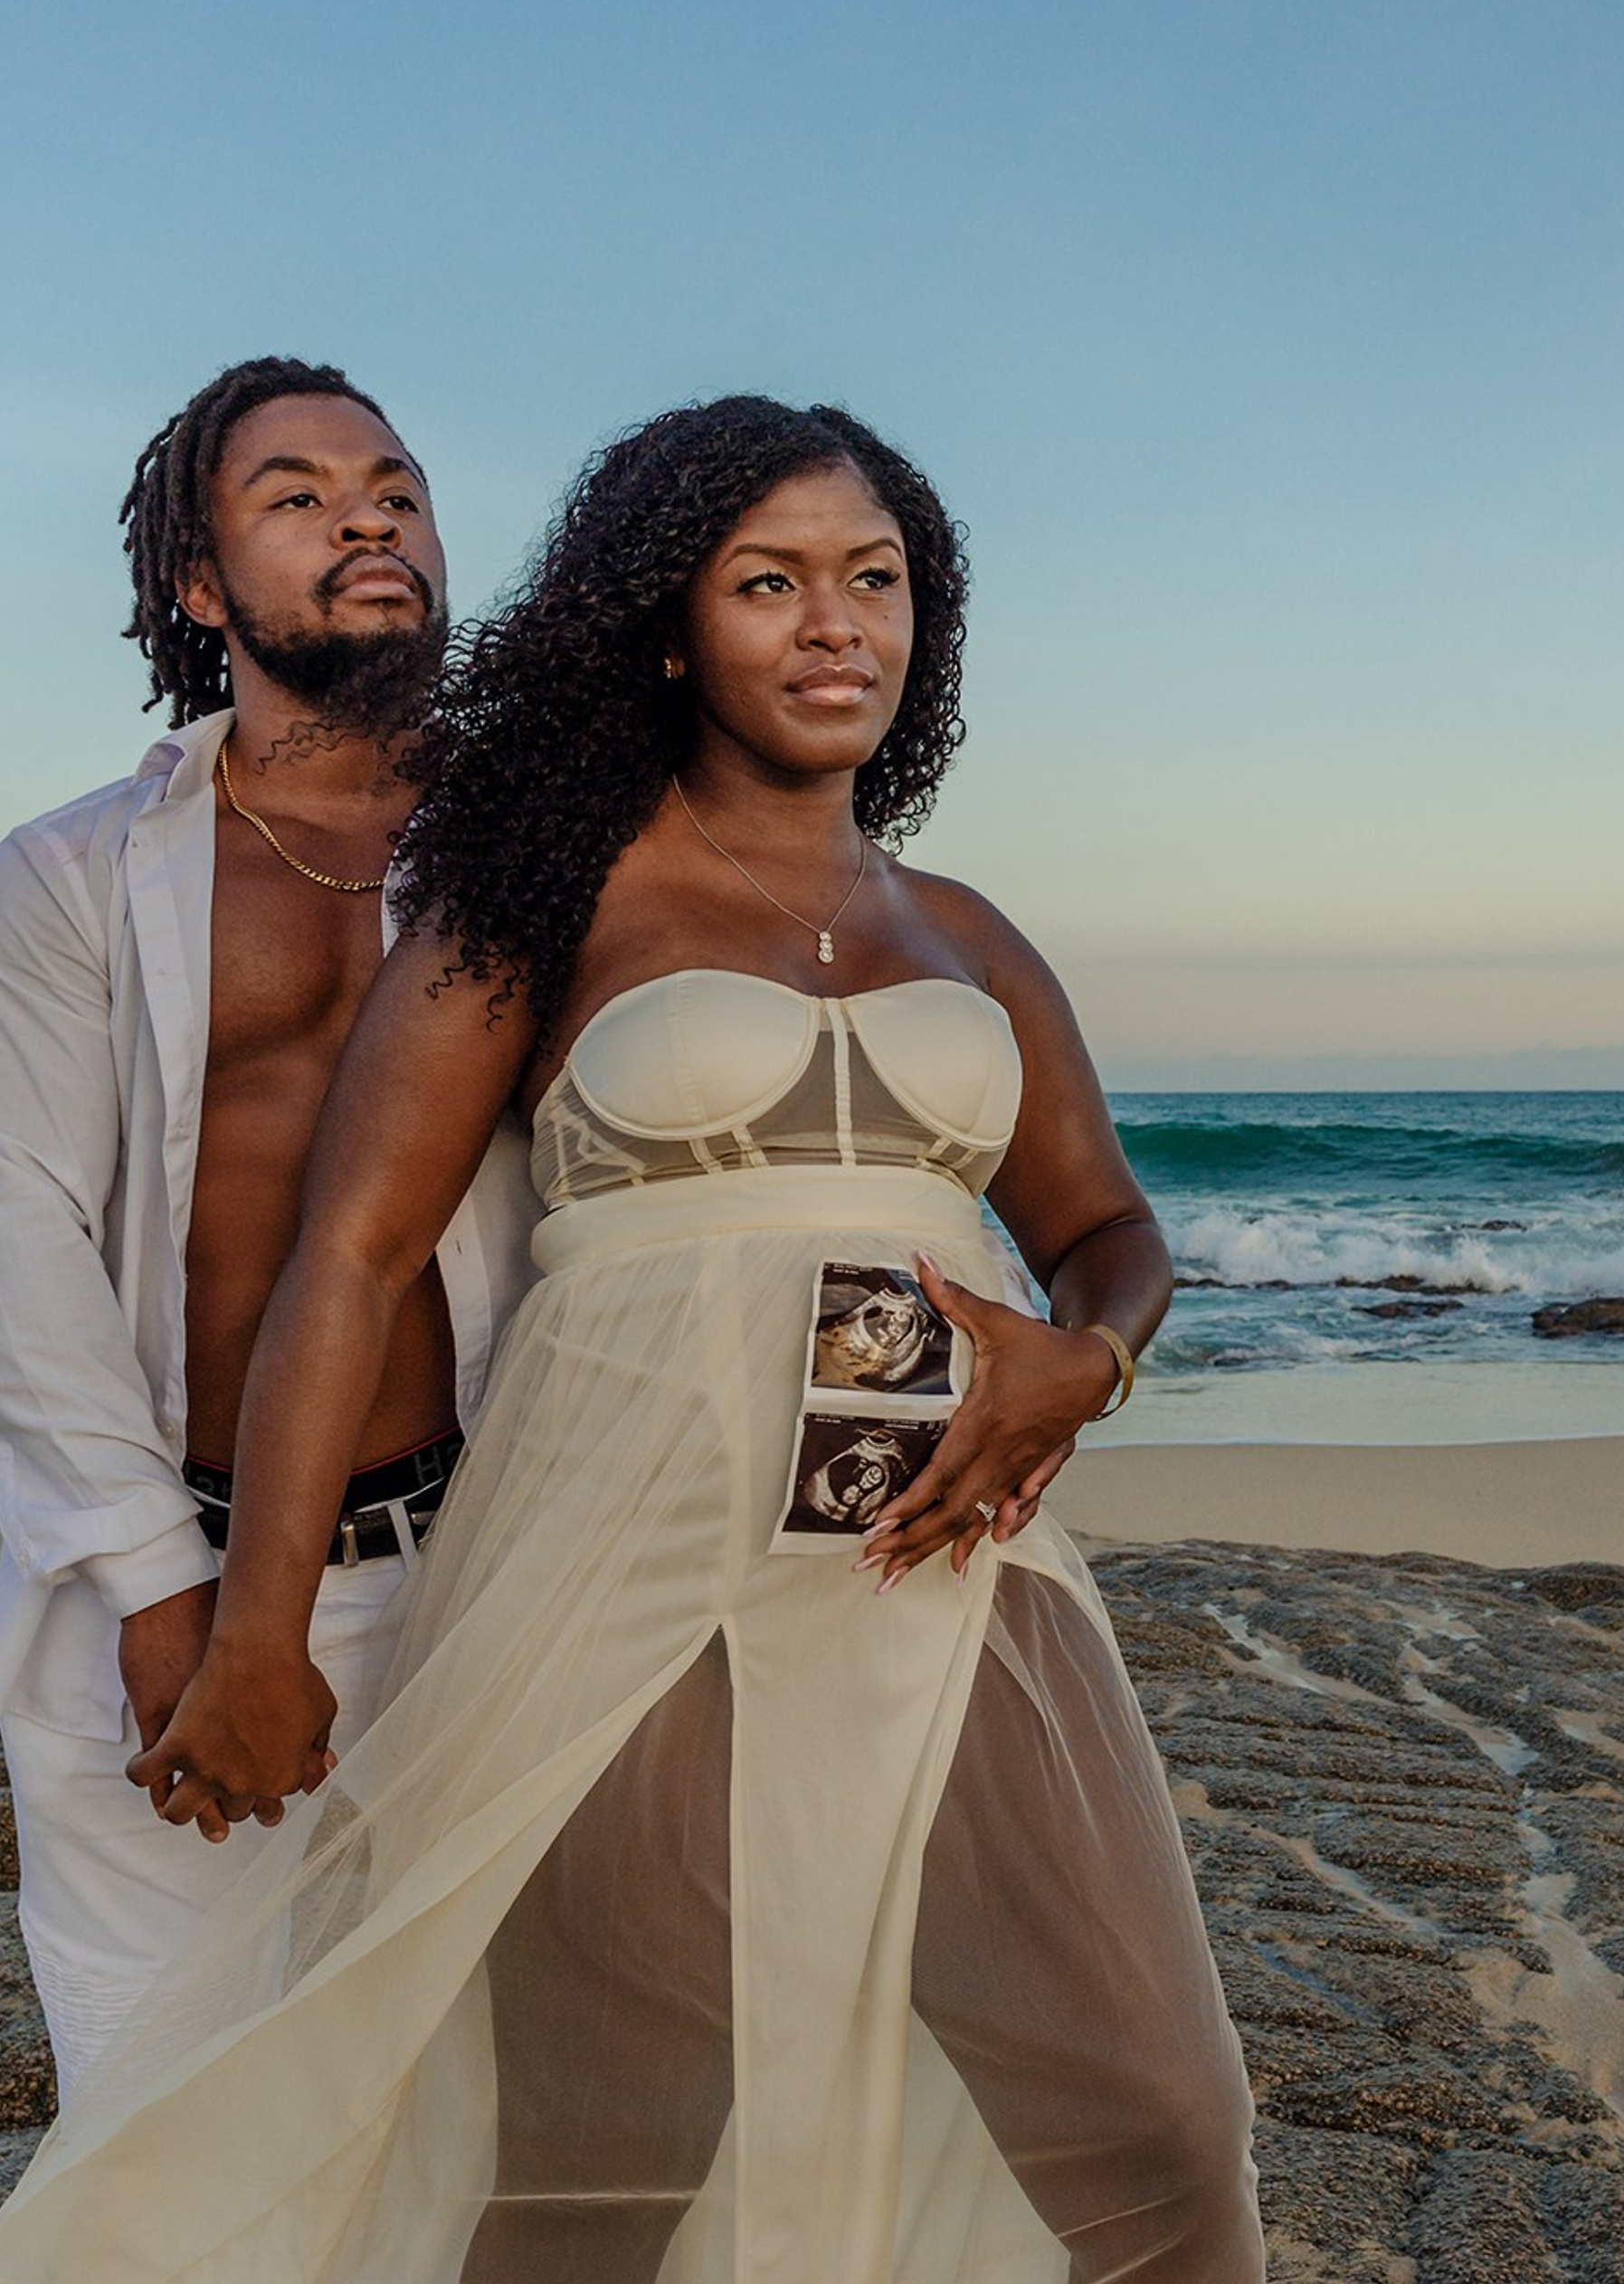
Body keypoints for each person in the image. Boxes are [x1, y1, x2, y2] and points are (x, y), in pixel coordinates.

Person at [0, 398, 1265, 2280]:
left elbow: (1108, 1226)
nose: (835, 622)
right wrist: (240, 1612)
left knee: (1155, 2112)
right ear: (672, 627)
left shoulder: (968, 929)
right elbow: (330, 1253)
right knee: (596, 2142)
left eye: (876, 580)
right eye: (771, 582)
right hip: (620, 1566)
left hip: (936, 1566)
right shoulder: (525, 890)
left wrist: (1088, 1358)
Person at [0, 357, 539, 2105]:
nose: (368, 514)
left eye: (395, 484)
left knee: (459, 2134)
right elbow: (18, 1238)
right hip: (161, 1576)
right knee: (165, 2132)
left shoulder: (551, 856)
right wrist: (179, 1609)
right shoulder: (73, 874)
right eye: (296, 494)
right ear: (201, 585)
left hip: (497, 1570)